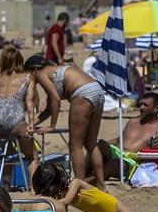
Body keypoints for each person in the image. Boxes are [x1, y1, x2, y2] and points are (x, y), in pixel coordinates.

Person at [26, 55, 108, 189]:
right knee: (91, 143)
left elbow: (56, 100)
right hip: (97, 90)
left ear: (34, 70)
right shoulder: (53, 70)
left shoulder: (41, 74)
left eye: (28, 74)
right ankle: (101, 185)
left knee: (75, 145)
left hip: (82, 93)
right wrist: (32, 124)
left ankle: (80, 186)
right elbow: (48, 109)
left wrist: (52, 126)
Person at [94, 93, 158, 185]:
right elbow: (119, 140)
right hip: (117, 152)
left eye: (146, 105)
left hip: (131, 162)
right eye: (141, 104)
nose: (141, 107)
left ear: (156, 108)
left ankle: (86, 181)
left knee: (114, 163)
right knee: (96, 146)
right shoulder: (132, 121)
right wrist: (102, 144)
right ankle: (82, 176)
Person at [0, 48, 39, 173]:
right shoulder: (27, 77)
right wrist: (31, 123)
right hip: (17, 123)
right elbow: (30, 101)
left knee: (8, 155)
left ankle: (6, 187)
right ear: (20, 60)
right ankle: (37, 188)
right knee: (31, 156)